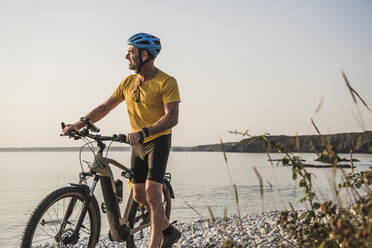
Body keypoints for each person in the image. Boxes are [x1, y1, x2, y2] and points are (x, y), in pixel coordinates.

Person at [63, 33, 181, 248]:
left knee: (153, 194)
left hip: (157, 142)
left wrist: (145, 131)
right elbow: (105, 107)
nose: (126, 56)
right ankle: (169, 231)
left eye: (131, 52)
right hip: (137, 144)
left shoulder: (166, 82)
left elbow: (172, 117)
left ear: (144, 54)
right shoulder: (128, 82)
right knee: (138, 196)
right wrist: (79, 124)